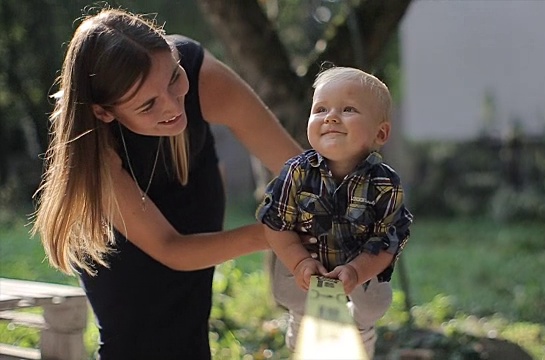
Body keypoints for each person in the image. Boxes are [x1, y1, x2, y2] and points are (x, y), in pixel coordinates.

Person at [30, 7, 303, 360]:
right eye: (148, 105)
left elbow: (298, 168)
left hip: (192, 212)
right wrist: (272, 233)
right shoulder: (93, 148)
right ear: (104, 112)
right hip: (131, 266)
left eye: (174, 78)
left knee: (189, 333)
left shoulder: (199, 73)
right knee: (140, 342)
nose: (174, 106)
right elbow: (172, 247)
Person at [256, 66, 414, 358]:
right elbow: (275, 224)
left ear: (381, 133)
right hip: (304, 258)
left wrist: (357, 271)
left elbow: (387, 241)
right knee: (288, 291)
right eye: (321, 109)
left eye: (348, 109)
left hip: (362, 260)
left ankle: (361, 327)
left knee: (375, 302)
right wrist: (300, 262)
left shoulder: (385, 184)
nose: (330, 117)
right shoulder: (296, 172)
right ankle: (302, 318)